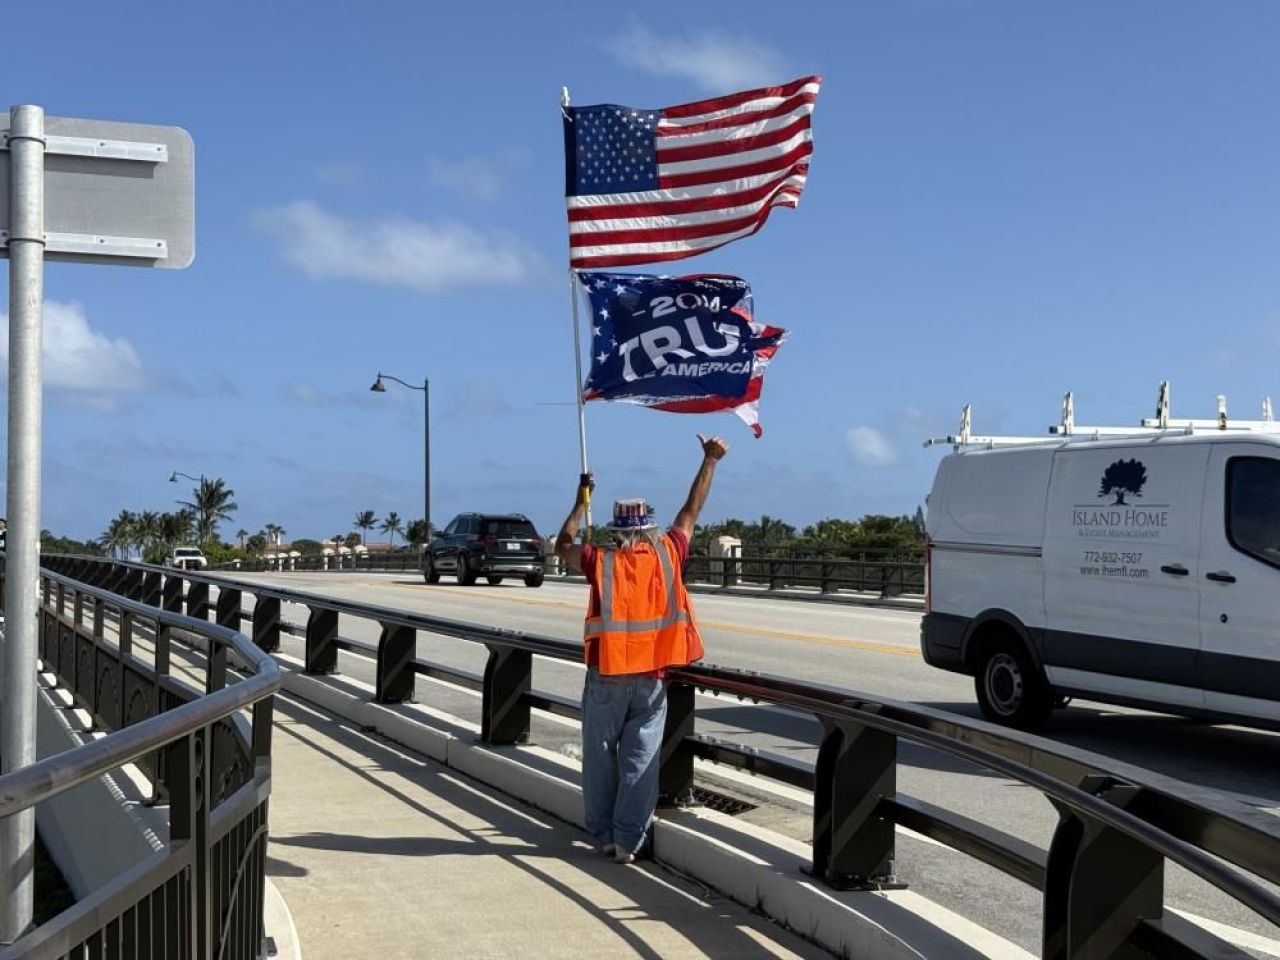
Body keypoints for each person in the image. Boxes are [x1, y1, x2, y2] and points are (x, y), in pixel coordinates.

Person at [555, 434, 729, 864]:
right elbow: (692, 511)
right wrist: (710, 460)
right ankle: (628, 841)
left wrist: (581, 500)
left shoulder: (601, 561)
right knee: (640, 761)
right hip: (652, 677)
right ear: (650, 528)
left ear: (617, 531)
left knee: (598, 758)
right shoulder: (669, 552)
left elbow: (562, 545)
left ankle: (602, 834)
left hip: (608, 675)